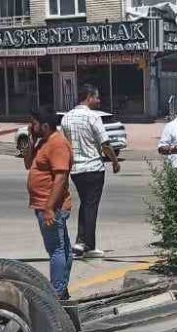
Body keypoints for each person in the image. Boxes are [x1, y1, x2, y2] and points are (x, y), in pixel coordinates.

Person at [60, 84, 119, 259]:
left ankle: (83, 243)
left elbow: (63, 145)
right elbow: (105, 144)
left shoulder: (66, 118)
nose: (99, 101)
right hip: (93, 168)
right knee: (90, 206)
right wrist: (115, 162)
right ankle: (85, 245)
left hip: (76, 169)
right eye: (97, 97)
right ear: (89, 97)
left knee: (86, 204)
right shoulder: (93, 117)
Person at [24, 107, 75, 300]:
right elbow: (28, 164)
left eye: (34, 123)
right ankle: (62, 288)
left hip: (51, 207)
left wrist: (49, 208)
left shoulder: (58, 143)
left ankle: (58, 292)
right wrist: (30, 140)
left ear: (45, 125)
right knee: (63, 248)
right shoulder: (43, 142)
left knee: (56, 250)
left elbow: (60, 178)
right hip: (44, 205)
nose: (31, 126)